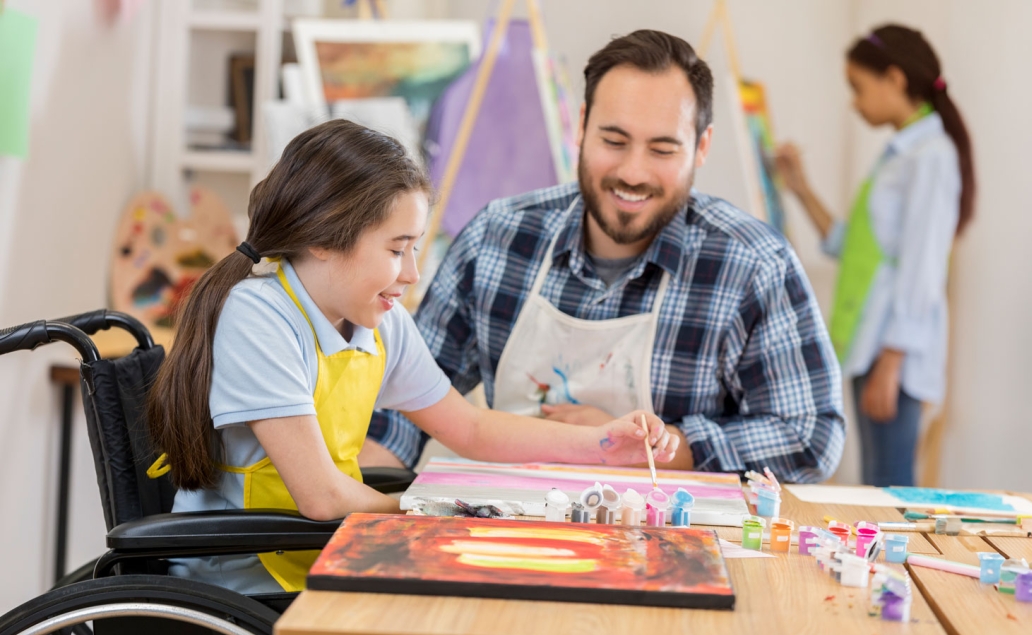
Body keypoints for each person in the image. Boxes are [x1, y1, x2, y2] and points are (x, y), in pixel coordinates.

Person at [145, 120, 677, 594]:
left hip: (322, 556)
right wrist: (440, 510)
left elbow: (468, 428)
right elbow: (322, 499)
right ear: (325, 238)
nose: (412, 273)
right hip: (243, 583)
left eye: (416, 248)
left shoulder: (378, 322)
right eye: (397, 249)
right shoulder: (260, 316)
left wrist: (605, 446)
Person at [366, 30, 845, 482]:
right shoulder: (498, 236)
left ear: (701, 147)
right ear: (581, 127)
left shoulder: (753, 264)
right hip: (510, 529)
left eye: (662, 149)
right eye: (614, 142)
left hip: (671, 544)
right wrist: (348, 504)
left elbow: (811, 436)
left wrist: (656, 449)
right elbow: (406, 397)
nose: (632, 172)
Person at [775, 24, 976, 487]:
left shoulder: (930, 156)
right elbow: (856, 247)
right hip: (875, 346)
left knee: (888, 488)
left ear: (895, 79)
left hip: (893, 355)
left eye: (858, 87)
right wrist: (801, 188)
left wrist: (892, 361)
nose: (854, 101)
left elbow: (925, 267)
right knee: (876, 483)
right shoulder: (901, 154)